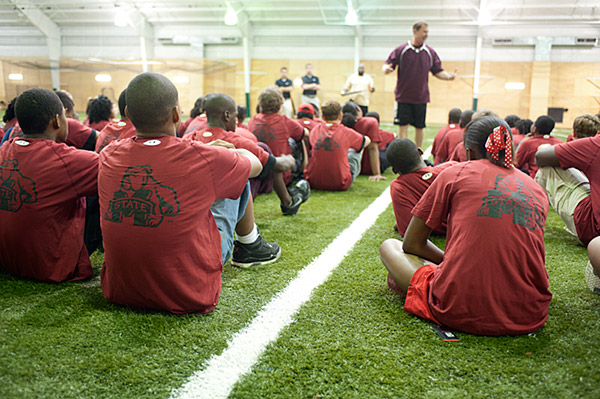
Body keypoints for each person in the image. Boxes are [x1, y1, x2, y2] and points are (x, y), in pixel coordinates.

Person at [99, 72, 264, 314]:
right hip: (189, 291)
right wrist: (229, 152)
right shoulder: (201, 156)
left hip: (120, 290)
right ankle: (251, 245)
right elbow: (256, 165)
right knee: (238, 177)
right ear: (177, 114)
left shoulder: (108, 154)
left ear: (128, 115)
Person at [380, 116, 551, 335]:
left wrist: (449, 263)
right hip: (529, 312)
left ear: (469, 152)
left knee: (389, 246)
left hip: (460, 307)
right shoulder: (535, 188)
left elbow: (411, 243)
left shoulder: (455, 173)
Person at [0, 88, 99, 282]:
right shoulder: (69, 161)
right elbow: (120, 171)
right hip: (51, 267)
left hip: (6, 260)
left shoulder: (4, 149)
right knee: (105, 185)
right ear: (56, 121)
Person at [184, 93, 286, 267]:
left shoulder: (186, 142)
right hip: (201, 258)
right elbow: (271, 164)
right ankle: (250, 243)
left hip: (160, 256)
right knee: (237, 172)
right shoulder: (237, 138)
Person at [382, 21, 456, 148]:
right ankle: (403, 151)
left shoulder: (430, 52)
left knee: (420, 127)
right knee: (403, 127)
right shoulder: (402, 50)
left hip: (421, 97)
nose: (426, 34)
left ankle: (418, 153)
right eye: (424, 31)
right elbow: (387, 65)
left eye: (427, 32)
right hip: (403, 97)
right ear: (415, 31)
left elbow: (438, 71)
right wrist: (386, 69)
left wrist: (448, 77)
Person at [535, 113, 600, 243]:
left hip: (593, 231)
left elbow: (539, 157)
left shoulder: (594, 145)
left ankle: (531, 218)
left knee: (548, 165)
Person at [248, 86, 310, 215]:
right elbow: (305, 133)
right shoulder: (284, 121)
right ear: (279, 106)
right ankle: (301, 175)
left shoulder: (253, 120)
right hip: (281, 171)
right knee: (298, 140)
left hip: (257, 171)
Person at [387, 138, 456, 237]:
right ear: (420, 152)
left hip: (438, 231)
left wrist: (399, 224)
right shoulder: (452, 166)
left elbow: (410, 232)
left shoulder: (399, 186)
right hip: (462, 224)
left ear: (395, 171)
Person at [305, 99, 370, 191]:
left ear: (322, 117)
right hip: (340, 183)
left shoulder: (315, 130)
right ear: (340, 116)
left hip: (313, 182)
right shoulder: (346, 131)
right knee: (357, 148)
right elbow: (367, 141)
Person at [342, 102, 386, 181]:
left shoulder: (337, 125)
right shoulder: (369, 122)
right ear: (358, 110)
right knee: (390, 143)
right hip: (367, 166)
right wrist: (376, 173)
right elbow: (372, 148)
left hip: (346, 167)